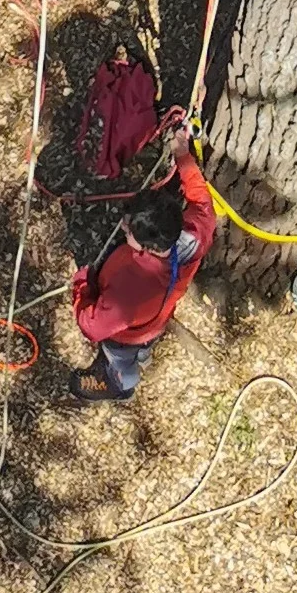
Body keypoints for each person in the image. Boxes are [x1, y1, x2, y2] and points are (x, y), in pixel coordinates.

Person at [69, 124, 216, 405]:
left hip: (126, 336)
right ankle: (144, 355)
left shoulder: (131, 289)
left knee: (120, 359)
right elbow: (201, 199)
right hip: (157, 321)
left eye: (129, 230)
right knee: (145, 342)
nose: (123, 227)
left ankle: (120, 385)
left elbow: (92, 327)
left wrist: (81, 286)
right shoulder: (196, 232)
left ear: (146, 246)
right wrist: (182, 155)